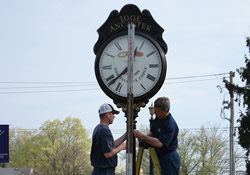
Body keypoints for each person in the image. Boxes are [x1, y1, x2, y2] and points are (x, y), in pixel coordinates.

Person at [134, 97, 180, 175]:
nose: (155, 113)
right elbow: (153, 132)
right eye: (155, 110)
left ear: (166, 111)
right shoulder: (158, 118)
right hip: (160, 156)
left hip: (169, 158)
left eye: (157, 111)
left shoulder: (170, 125)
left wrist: (143, 136)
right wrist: (143, 137)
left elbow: (159, 143)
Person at [90, 103, 126, 175]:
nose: (114, 116)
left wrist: (125, 136)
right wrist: (122, 147)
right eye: (113, 114)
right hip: (105, 171)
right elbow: (108, 153)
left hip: (100, 170)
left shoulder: (98, 128)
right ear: (107, 115)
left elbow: (110, 145)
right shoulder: (104, 130)